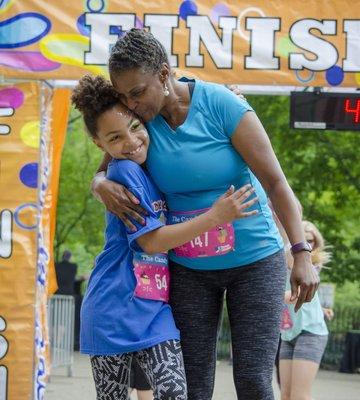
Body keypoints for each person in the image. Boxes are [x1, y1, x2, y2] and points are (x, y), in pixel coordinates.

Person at [91, 28, 319, 400]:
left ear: (164, 75)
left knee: (253, 380)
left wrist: (300, 252)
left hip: (255, 260)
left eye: (137, 92)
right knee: (194, 386)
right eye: (123, 95)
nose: (130, 104)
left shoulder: (222, 105)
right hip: (190, 272)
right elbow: (106, 162)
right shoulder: (141, 123)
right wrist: (99, 184)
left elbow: (277, 183)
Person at [71, 74, 258, 399]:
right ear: (100, 144)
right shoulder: (125, 171)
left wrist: (227, 99)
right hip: (113, 308)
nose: (130, 142)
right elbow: (151, 241)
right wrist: (214, 217)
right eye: (115, 138)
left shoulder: (152, 162)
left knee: (174, 392)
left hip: (155, 309)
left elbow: (183, 99)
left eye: (134, 127)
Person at [279, 220, 331, 400]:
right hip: (287, 333)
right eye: (305, 239)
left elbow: (298, 293)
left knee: (299, 396)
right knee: (285, 395)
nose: (309, 245)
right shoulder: (282, 257)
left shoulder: (311, 265)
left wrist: (268, 296)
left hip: (311, 332)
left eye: (312, 241)